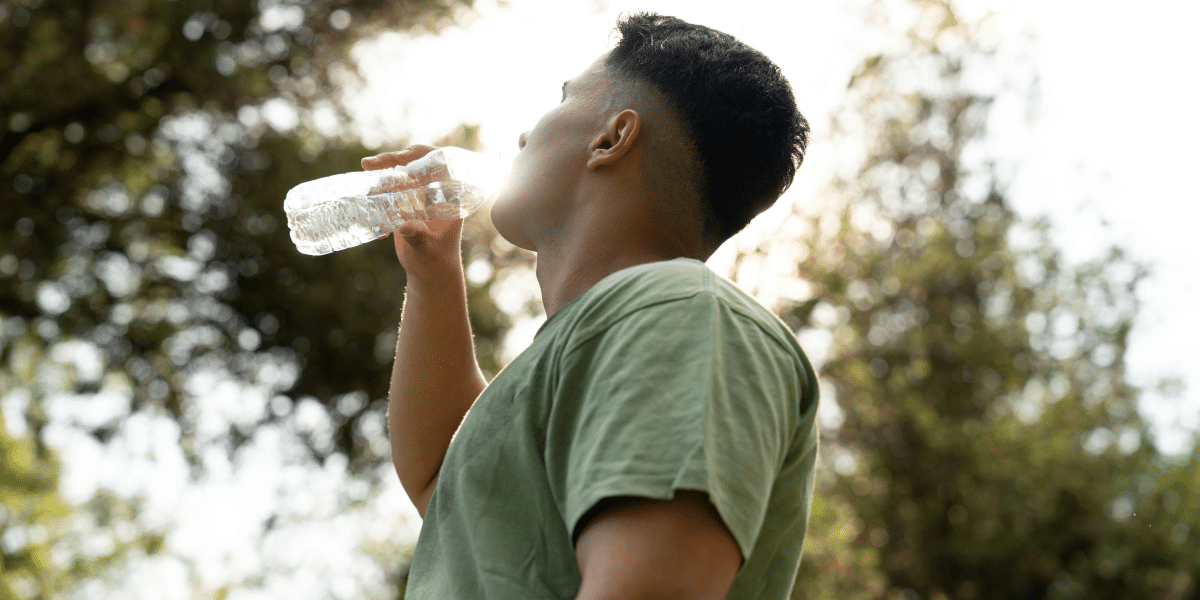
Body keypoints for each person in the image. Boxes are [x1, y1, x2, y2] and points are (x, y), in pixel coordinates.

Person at [361, 12, 818, 600]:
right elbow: (445, 476)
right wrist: (432, 275)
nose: (524, 135)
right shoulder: (608, 334)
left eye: (562, 99)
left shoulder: (680, 314)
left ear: (611, 138)